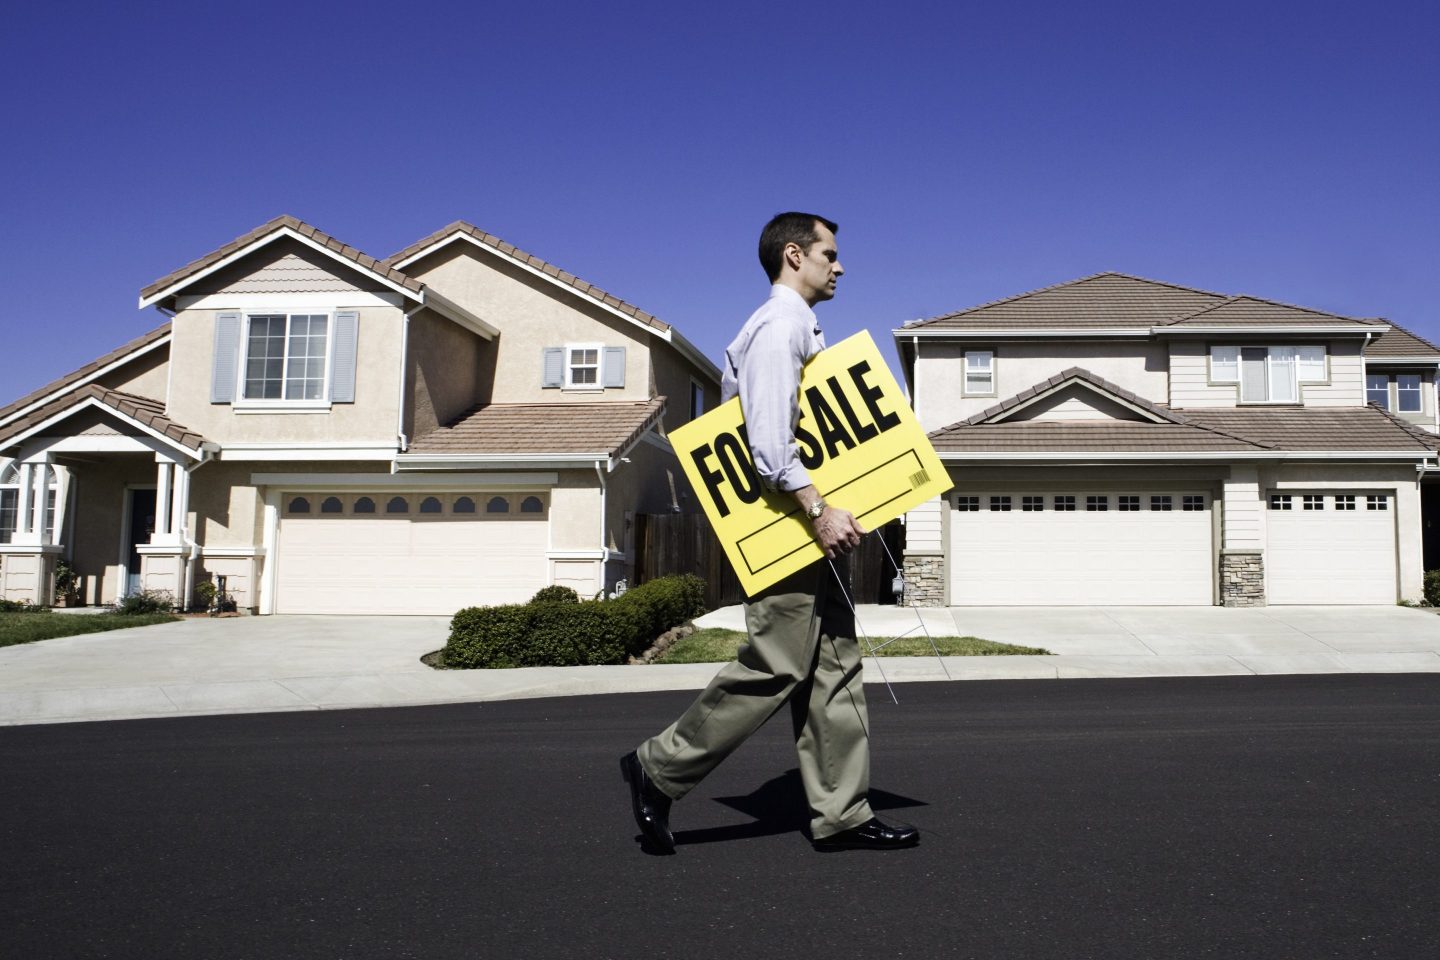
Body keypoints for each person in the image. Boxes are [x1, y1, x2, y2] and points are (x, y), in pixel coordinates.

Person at [621, 212, 920, 854]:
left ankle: (841, 812)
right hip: (788, 525)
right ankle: (659, 766)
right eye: (829, 254)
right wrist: (819, 508)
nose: (839, 266)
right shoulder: (779, 327)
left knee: (835, 665)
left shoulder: (798, 328)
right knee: (777, 662)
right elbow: (768, 443)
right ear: (795, 255)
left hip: (809, 523)